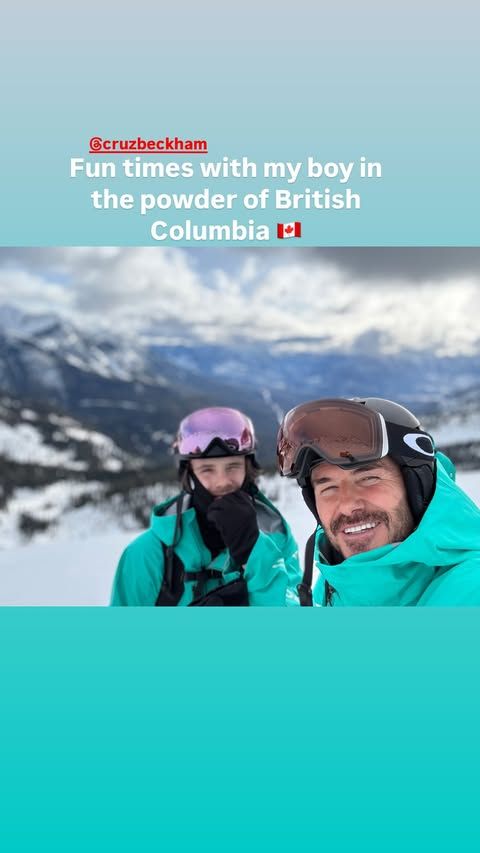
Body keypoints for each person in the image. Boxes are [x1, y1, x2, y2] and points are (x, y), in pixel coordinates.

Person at [277, 396, 480, 606]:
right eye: (328, 488)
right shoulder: (335, 580)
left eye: (368, 479)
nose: (347, 505)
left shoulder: (471, 590)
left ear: (418, 486)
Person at [111, 406, 301, 605]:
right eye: (207, 469)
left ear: (248, 468)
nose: (222, 482)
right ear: (190, 475)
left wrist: (254, 554)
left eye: (233, 466)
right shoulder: (148, 553)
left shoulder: (276, 538)